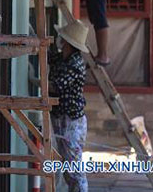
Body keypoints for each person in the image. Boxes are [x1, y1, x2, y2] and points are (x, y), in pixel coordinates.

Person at [49, 19, 90, 192]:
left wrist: (36, 81)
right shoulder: (63, 58)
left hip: (71, 121)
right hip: (61, 118)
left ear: (66, 42)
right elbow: (49, 57)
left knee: (74, 169)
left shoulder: (75, 64)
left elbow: (55, 86)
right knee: (68, 167)